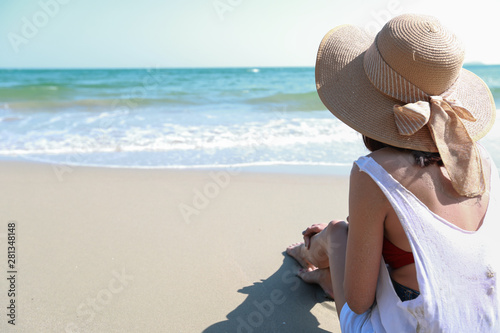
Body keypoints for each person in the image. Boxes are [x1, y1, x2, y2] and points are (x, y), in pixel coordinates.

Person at [286, 13, 500, 332]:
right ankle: (318, 265)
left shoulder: (373, 172)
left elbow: (359, 303)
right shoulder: (481, 160)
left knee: (339, 231)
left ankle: (310, 253)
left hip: (414, 325)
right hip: (485, 321)